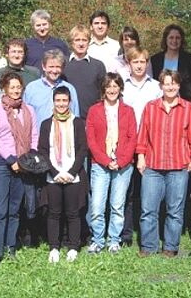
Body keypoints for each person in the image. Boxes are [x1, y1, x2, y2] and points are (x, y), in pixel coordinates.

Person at [136, 70, 191, 257]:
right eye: (166, 83)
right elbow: (143, 134)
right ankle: (148, 246)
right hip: (153, 166)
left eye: (174, 83)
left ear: (179, 85)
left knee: (175, 210)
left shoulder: (188, 108)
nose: (170, 87)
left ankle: (170, 247)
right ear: (161, 86)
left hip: (178, 166)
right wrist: (141, 156)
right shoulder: (150, 107)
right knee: (148, 209)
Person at [0, 72, 39, 266]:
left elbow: (34, 134)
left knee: (15, 209)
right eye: (12, 87)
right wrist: (11, 159)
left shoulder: (29, 110)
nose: (16, 90)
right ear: (5, 88)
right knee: (0, 210)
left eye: (19, 87)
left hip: (23, 163)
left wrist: (28, 158)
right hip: (1, 163)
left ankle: (11, 247)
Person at [86, 73, 137, 254]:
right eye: (109, 86)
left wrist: (121, 161)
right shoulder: (94, 110)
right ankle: (97, 240)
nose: (112, 90)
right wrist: (106, 161)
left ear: (120, 88)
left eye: (116, 86)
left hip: (123, 166)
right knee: (97, 206)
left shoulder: (128, 111)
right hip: (100, 164)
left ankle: (114, 240)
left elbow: (132, 138)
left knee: (117, 206)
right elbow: (91, 140)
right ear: (103, 89)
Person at [37, 86, 88, 263]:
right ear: (53, 101)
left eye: (64, 100)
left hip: (73, 175)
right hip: (53, 176)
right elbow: (42, 151)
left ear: (70, 102)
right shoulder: (46, 124)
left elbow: (82, 150)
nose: (61, 104)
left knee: (73, 213)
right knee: (54, 213)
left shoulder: (78, 123)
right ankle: (54, 247)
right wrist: (55, 172)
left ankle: (73, 246)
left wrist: (71, 172)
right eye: (58, 100)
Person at [119, 47, 162, 245]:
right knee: (126, 190)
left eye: (142, 62)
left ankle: (149, 232)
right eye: (135, 62)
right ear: (128, 64)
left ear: (147, 64)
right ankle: (126, 234)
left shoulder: (156, 88)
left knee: (149, 190)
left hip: (150, 144)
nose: (139, 65)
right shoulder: (122, 87)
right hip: (126, 143)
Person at [24, 49, 79, 128]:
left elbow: (75, 117)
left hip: (64, 137)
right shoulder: (31, 88)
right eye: (51, 66)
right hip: (39, 138)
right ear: (43, 66)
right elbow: (25, 117)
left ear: (62, 68)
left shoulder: (70, 89)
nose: (54, 70)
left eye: (58, 67)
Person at [64, 25, 107, 119]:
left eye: (84, 40)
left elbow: (103, 94)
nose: (81, 44)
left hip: (91, 119)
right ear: (71, 42)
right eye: (77, 40)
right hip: (66, 118)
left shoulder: (98, 66)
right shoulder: (63, 65)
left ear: (89, 42)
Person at [150, 24, 191, 102]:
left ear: (181, 40)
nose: (174, 41)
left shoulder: (189, 59)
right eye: (171, 37)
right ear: (165, 39)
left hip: (184, 102)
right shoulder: (155, 60)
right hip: (159, 103)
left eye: (177, 38)